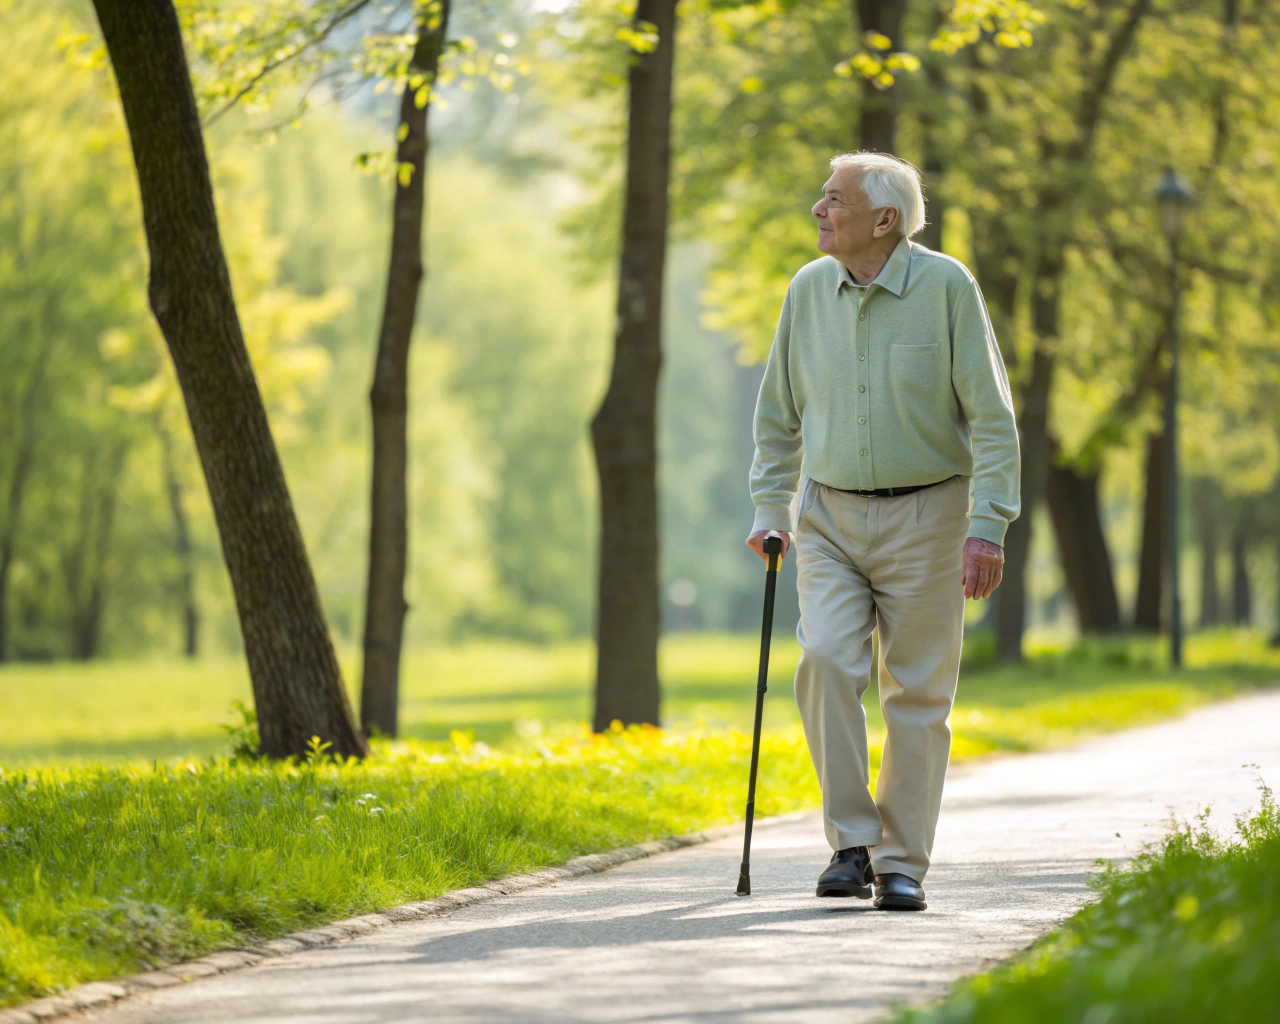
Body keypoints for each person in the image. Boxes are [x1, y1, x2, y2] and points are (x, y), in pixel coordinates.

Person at [746, 152, 1020, 911]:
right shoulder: (807, 291)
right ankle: (852, 843)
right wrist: (771, 509)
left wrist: (987, 526)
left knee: (918, 695)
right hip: (829, 516)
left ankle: (903, 863)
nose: (818, 210)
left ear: (884, 220)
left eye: (832, 199)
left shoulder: (946, 287)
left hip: (931, 517)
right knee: (827, 662)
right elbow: (777, 420)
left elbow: (993, 423)